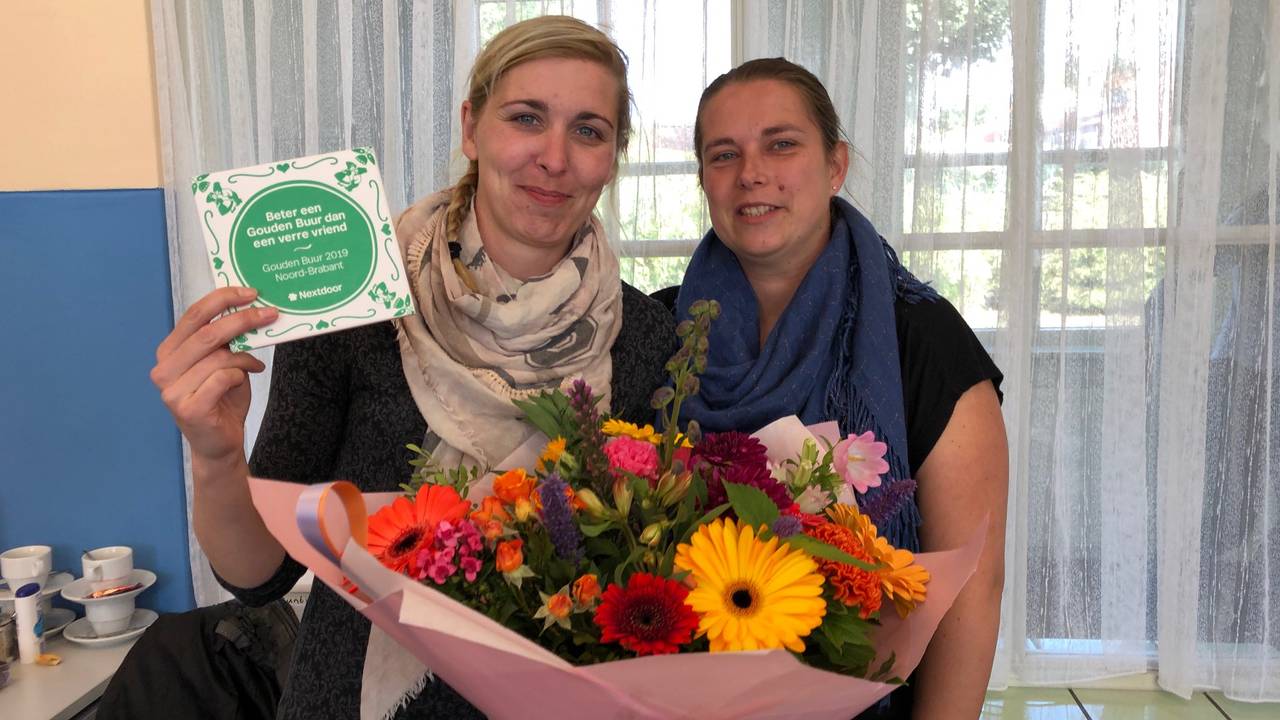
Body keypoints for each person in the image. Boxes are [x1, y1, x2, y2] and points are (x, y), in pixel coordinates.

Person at [149, 16, 674, 720]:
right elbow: (259, 575)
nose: (555, 157)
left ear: (614, 155)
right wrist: (215, 456)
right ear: (471, 127)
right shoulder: (359, 303)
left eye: (588, 130)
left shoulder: (644, 334)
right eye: (526, 118)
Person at [671, 58, 1008, 720]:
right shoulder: (665, 337)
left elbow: (971, 587)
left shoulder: (923, 340)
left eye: (782, 144)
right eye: (723, 154)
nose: (752, 174)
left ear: (836, 165)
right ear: (706, 180)